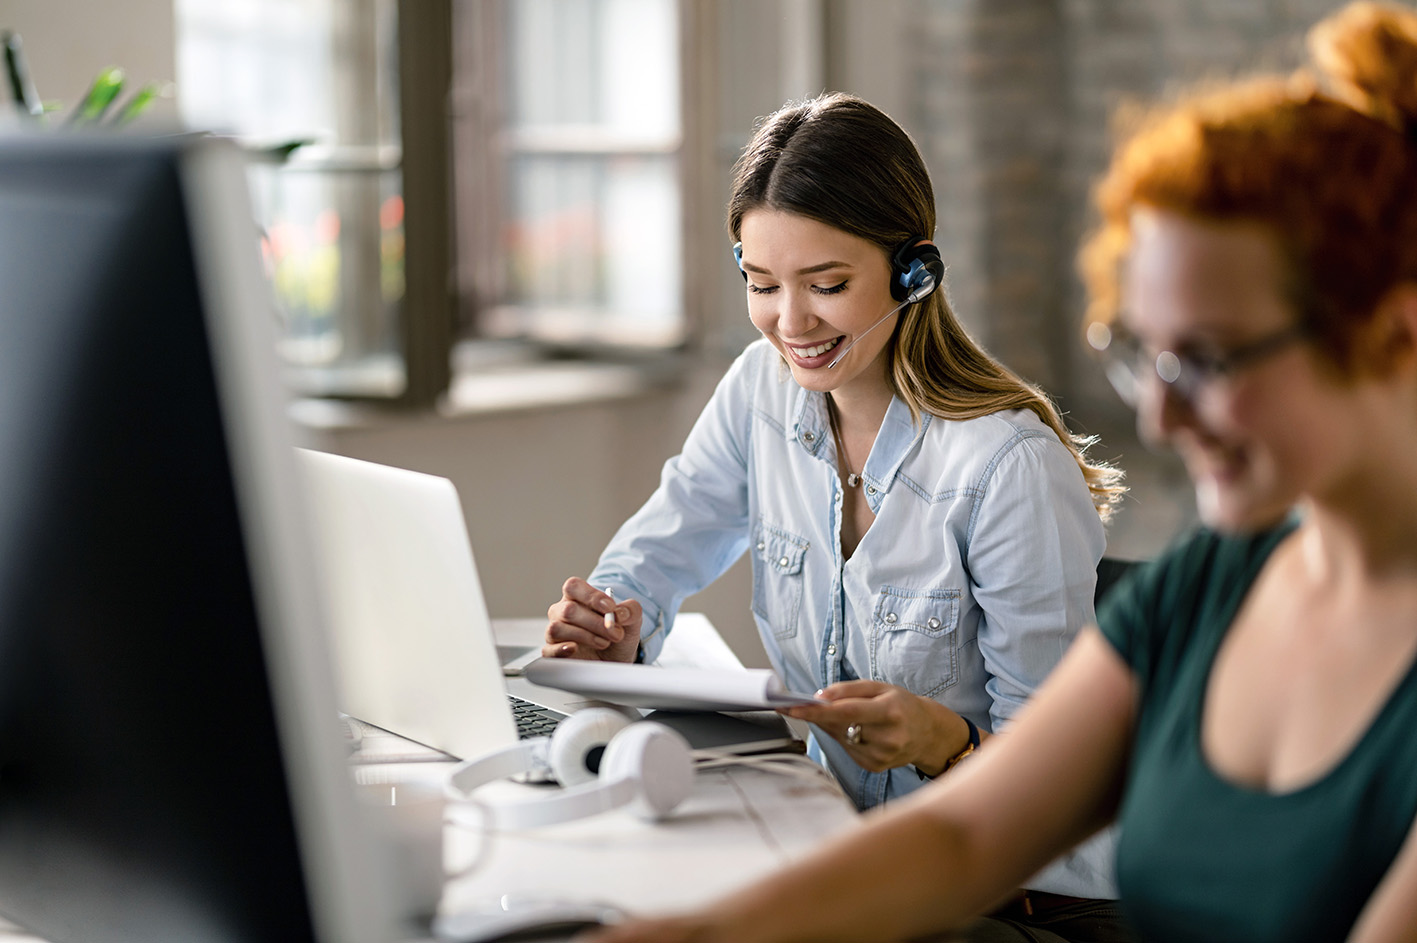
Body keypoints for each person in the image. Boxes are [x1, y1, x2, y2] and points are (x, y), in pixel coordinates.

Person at [570, 3, 1417, 941]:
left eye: (1208, 360)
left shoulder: (1010, 467)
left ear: (1392, 338)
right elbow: (968, 833)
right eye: (1142, 354)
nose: (1157, 416)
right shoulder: (1201, 589)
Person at [542, 92, 1129, 938]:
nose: (790, 322)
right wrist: (614, 624)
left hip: (1028, 895)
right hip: (863, 848)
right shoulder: (757, 392)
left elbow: (1051, 784)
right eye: (760, 283)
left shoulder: (1006, 467)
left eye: (825, 285)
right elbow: (661, 548)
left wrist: (940, 738)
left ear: (913, 271)